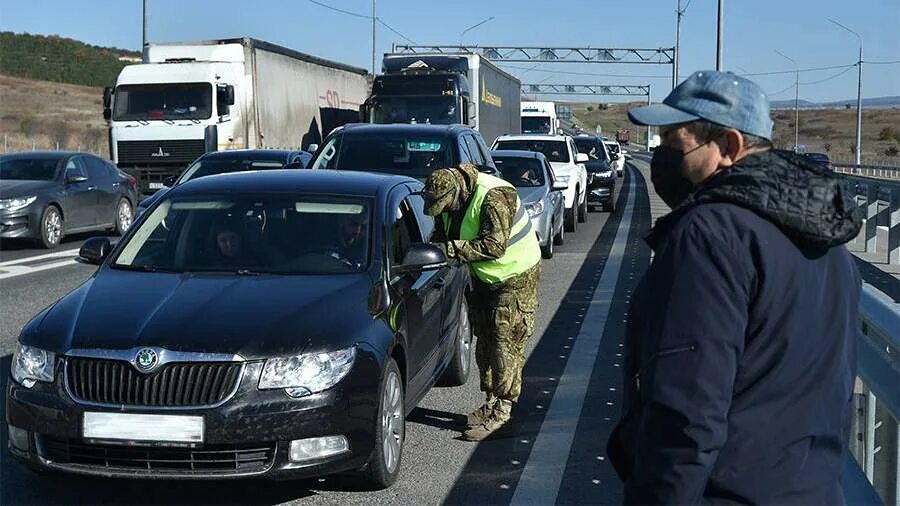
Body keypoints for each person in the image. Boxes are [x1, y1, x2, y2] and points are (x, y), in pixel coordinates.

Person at [607, 70, 862, 504]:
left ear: (728, 146)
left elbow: (686, 413)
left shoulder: (708, 235)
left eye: (674, 140)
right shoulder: (828, 240)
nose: (662, 154)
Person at [422, 163, 542, 441]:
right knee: (485, 339)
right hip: (484, 278)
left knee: (505, 341)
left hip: (516, 276)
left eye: (443, 204)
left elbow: (493, 246)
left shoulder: (495, 196)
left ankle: (503, 410)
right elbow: (440, 237)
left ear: (456, 192)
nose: (442, 211)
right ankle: (490, 401)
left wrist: (449, 249)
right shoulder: (453, 201)